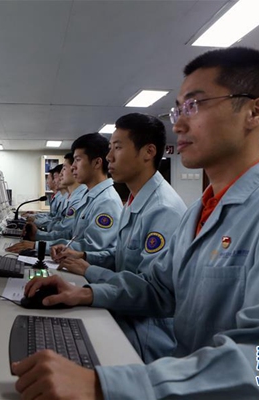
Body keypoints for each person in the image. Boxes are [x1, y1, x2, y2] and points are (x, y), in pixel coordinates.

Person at [12, 47, 259, 399]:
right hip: (193, 382)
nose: (178, 125)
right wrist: (84, 292)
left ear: (255, 111)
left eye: (195, 105)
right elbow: (158, 289)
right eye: (178, 109)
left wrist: (103, 385)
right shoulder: (198, 213)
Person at [54, 113, 187, 362]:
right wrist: (85, 258)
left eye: (117, 147)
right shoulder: (135, 200)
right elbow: (124, 256)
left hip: (145, 337)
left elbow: (154, 292)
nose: (109, 157)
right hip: (124, 314)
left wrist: (88, 282)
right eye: (110, 148)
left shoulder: (163, 209)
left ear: (148, 152)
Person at [7, 133, 123, 256]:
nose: (73, 167)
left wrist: (39, 246)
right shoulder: (89, 197)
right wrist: (39, 236)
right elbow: (72, 235)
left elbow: (91, 248)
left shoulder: (106, 201)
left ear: (97, 163)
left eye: (77, 160)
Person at [26, 153, 88, 240]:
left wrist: (39, 235)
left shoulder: (79, 198)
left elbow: (66, 231)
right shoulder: (72, 197)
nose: (60, 175)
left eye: (64, 169)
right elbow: (58, 221)